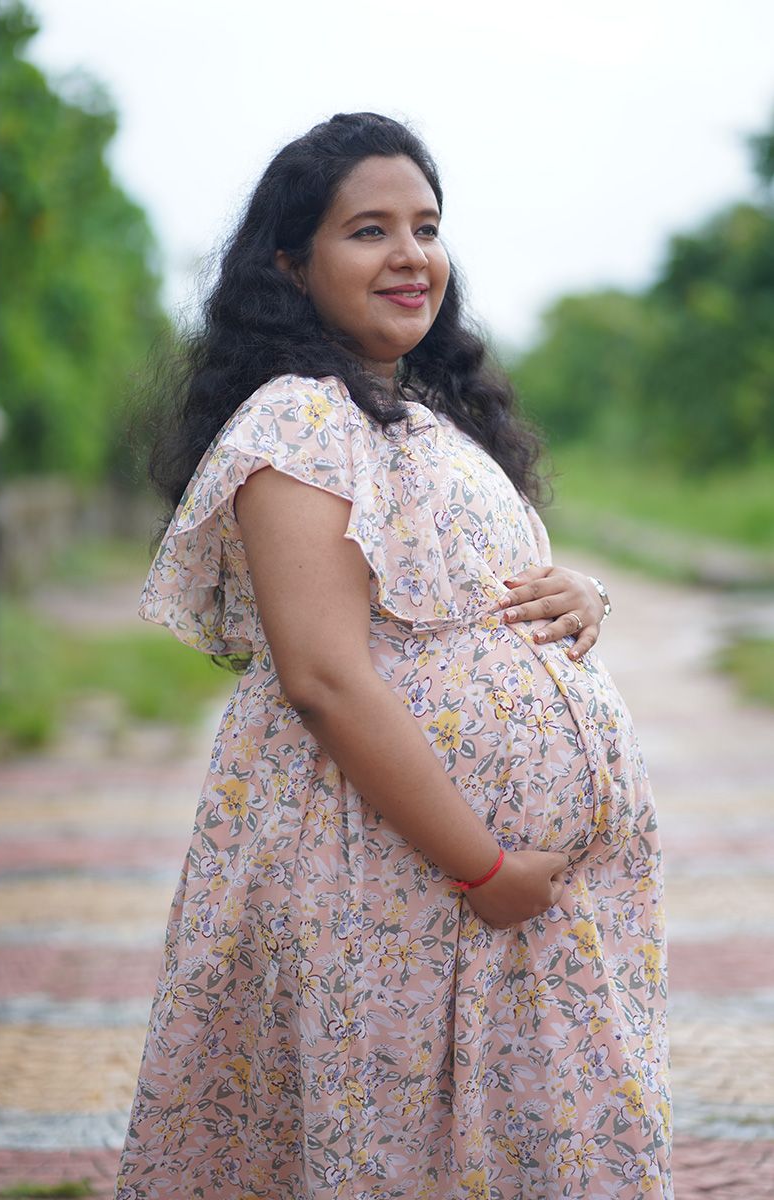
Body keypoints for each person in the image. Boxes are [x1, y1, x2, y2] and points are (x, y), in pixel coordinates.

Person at [115, 112, 671, 1200]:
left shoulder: (414, 412)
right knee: (393, 1145)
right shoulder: (299, 421)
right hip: (397, 878)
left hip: (482, 907)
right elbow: (323, 676)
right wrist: (483, 866)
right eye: (369, 230)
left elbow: (463, 597)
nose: (411, 255)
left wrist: (582, 593)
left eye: (426, 226)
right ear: (290, 263)